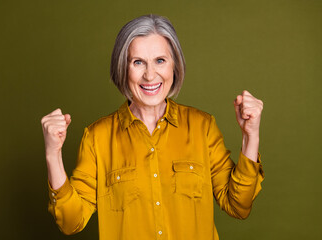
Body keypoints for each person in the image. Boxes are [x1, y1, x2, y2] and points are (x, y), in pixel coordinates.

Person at [41, 14, 264, 240]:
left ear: (174, 65)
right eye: (138, 62)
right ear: (123, 68)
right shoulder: (96, 137)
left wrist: (250, 136)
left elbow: (238, 206)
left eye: (160, 60)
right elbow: (71, 222)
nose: (149, 75)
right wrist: (53, 154)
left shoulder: (203, 127)